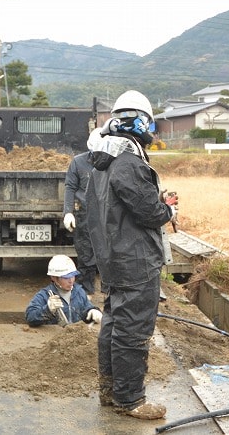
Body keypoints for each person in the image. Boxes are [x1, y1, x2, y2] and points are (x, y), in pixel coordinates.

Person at [86, 90, 178, 420]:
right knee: (133, 330)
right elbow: (149, 212)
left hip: (114, 257)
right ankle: (131, 399)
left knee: (113, 323)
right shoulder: (129, 163)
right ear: (140, 123)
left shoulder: (102, 163)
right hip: (135, 259)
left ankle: (110, 391)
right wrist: (167, 208)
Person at [62, 129, 103, 296]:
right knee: (85, 253)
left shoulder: (114, 163)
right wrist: (68, 212)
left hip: (108, 214)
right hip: (85, 213)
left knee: (108, 253)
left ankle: (110, 291)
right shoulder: (78, 163)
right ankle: (86, 291)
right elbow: (70, 187)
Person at [25, 255, 102, 327]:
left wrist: (93, 311)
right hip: (54, 338)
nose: (71, 281)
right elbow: (30, 317)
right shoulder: (44, 295)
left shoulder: (79, 292)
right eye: (66, 277)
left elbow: (86, 311)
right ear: (54, 278)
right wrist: (48, 310)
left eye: (73, 276)